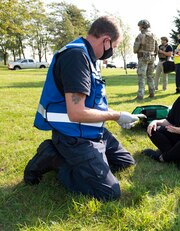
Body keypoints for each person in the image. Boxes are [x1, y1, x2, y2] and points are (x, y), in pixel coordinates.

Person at [24, 16, 142, 201]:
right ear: (106, 40)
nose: (114, 50)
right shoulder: (76, 57)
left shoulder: (90, 57)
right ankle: (53, 157)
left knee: (125, 162)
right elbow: (76, 112)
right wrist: (116, 116)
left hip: (93, 131)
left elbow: (92, 103)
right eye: (115, 46)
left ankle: (86, 160)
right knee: (109, 193)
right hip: (73, 136)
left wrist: (115, 116)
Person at [133, 19, 158, 100]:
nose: (139, 28)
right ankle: (152, 93)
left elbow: (135, 49)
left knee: (141, 76)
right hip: (152, 57)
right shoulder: (154, 35)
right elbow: (156, 48)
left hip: (143, 57)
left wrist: (137, 50)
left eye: (140, 26)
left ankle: (140, 95)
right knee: (150, 76)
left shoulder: (140, 35)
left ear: (143, 26)